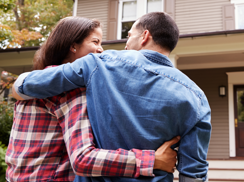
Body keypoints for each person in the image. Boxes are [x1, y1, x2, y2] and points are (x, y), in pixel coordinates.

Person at [13, 12, 211, 182]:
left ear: (144, 36)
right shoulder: (197, 98)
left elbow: (32, 84)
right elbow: (193, 171)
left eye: (129, 36)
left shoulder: (100, 64)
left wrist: (18, 86)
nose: (125, 44)